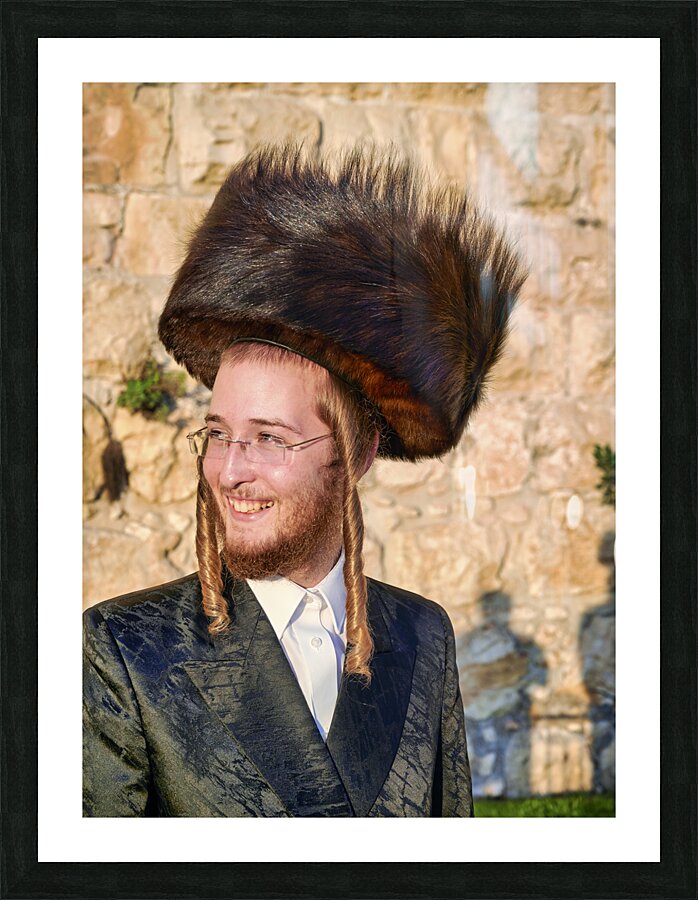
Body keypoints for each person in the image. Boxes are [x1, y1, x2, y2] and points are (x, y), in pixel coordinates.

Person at [83, 144, 526, 817]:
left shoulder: (422, 634)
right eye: (219, 434)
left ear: (358, 453)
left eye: (269, 437)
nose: (230, 471)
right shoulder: (124, 651)